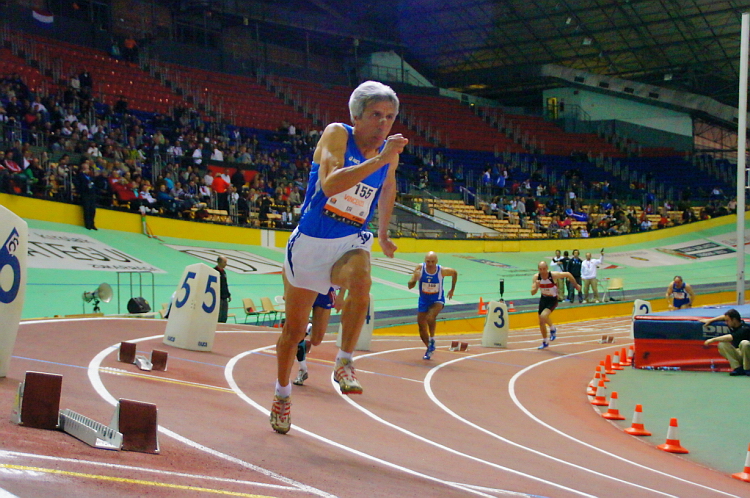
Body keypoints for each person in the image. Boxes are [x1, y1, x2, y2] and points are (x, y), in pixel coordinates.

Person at [270, 81, 408, 434]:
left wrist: (383, 232)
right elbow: (331, 184)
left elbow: (388, 186)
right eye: (376, 115)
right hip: (311, 243)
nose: (383, 123)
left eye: (389, 117)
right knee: (294, 331)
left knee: (362, 279)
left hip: (349, 239)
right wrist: (379, 159)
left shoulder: (388, 153)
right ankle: (282, 394)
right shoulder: (337, 134)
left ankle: (344, 361)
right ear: (357, 117)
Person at [407, 251, 458, 360]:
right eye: (428, 261)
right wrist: (414, 279)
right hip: (424, 300)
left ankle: (432, 338)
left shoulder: (441, 271)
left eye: (432, 262)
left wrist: (452, 289)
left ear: (436, 261)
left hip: (437, 300)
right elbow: (410, 286)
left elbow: (454, 273)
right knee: (421, 328)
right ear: (425, 261)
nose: (430, 264)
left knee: (430, 317)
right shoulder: (420, 268)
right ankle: (429, 347)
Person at [293, 287, 341, 386]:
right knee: (296, 333)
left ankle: (308, 328)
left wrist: (341, 295)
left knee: (316, 340)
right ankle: (303, 369)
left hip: (325, 290)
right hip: (304, 287)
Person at [531, 261, 581, 349]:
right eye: (540, 269)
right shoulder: (536, 277)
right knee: (541, 321)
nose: (542, 271)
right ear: (538, 269)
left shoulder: (553, 275)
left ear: (547, 268)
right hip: (543, 299)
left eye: (544, 269)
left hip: (552, 300)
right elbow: (532, 293)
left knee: (543, 316)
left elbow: (568, 274)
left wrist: (576, 285)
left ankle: (552, 328)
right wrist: (537, 286)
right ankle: (545, 341)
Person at [702, 309, 750, 376]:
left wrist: (712, 340)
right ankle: (737, 368)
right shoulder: (732, 325)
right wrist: (710, 320)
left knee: (744, 343)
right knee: (722, 344)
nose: (726, 323)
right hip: (739, 353)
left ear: (734, 320)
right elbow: (724, 317)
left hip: (747, 355)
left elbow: (731, 337)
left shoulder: (745, 328)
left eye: (727, 320)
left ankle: (747, 369)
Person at [74, 161, 97, 230]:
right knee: (87, 209)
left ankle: (92, 224)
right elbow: (78, 185)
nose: (88, 170)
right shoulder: (80, 176)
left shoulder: (90, 177)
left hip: (92, 194)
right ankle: (87, 224)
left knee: (92, 210)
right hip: (85, 194)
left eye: (88, 169)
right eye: (86, 169)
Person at [214, 256, 231, 323]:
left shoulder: (223, 272)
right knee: (219, 315)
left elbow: (225, 284)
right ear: (219, 262)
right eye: (224, 262)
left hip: (224, 297)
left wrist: (228, 294)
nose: (226, 264)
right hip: (218, 297)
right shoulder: (214, 271)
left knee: (224, 316)